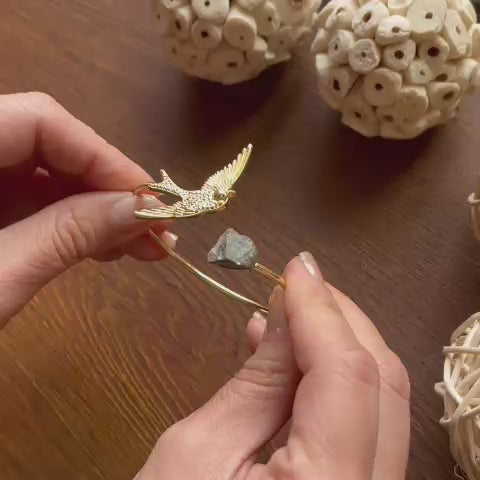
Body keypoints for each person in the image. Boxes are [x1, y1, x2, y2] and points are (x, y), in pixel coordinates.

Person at [0, 92, 410, 479]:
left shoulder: (215, 199)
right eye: (224, 198)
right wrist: (100, 222)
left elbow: (222, 181)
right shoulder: (202, 201)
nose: (224, 200)